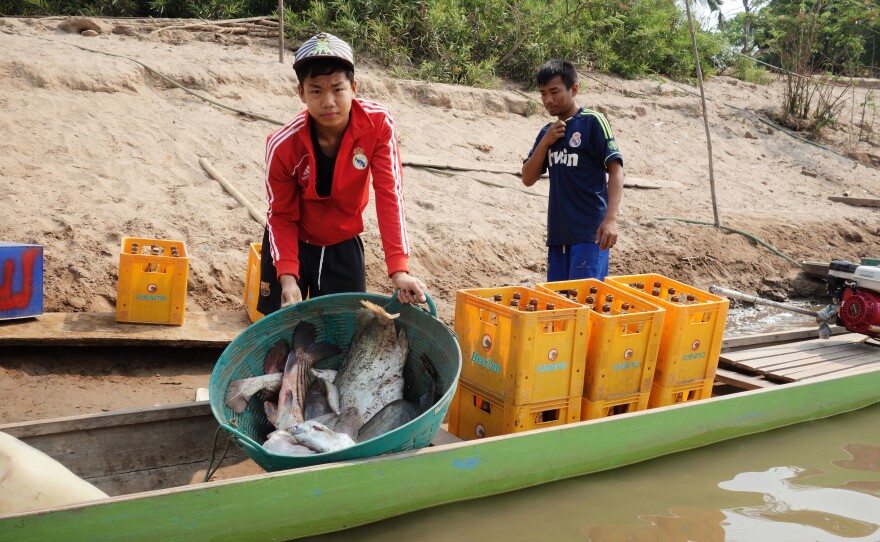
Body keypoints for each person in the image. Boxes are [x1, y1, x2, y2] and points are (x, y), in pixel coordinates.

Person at [257, 32, 427, 315]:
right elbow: (281, 215)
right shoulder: (282, 144)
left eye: (337, 89)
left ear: (354, 88)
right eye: (315, 91)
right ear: (301, 93)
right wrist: (287, 276)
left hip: (343, 243)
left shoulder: (378, 124)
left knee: (343, 332)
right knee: (277, 333)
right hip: (293, 242)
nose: (328, 102)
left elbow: (389, 196)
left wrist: (399, 270)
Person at [521, 60, 624, 282]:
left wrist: (611, 219)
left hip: (591, 234)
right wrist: (545, 143)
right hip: (558, 236)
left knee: (584, 304)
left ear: (574, 89)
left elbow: (616, 170)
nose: (548, 99)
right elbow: (528, 178)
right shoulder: (547, 133)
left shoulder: (593, 122)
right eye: (543, 93)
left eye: (554, 91)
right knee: (560, 307)